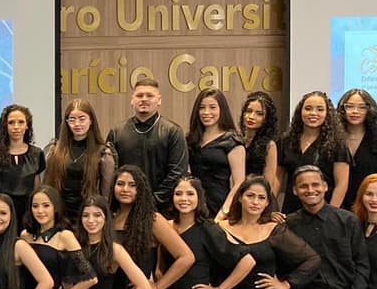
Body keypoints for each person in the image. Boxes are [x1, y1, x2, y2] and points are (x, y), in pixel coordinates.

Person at [107, 79, 188, 214]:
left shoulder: (173, 131)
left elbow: (177, 173)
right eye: (139, 95)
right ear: (132, 100)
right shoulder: (116, 132)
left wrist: (151, 202)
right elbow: (110, 173)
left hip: (162, 210)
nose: (144, 99)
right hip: (125, 209)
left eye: (150, 95)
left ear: (159, 100)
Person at [44, 99, 115, 225]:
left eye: (82, 119)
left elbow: (106, 194)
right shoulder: (54, 150)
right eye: (72, 119)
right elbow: (47, 186)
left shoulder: (103, 153)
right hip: (60, 215)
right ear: (66, 122)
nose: (77, 124)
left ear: (91, 120)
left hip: (89, 217)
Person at [277, 91, 348, 213]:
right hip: (292, 209)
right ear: (300, 111)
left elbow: (341, 184)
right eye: (308, 109)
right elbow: (277, 179)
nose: (313, 113)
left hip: (324, 210)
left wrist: (331, 213)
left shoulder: (337, 144)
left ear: (327, 113)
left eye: (320, 109)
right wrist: (270, 207)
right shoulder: (286, 141)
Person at [337, 89, 377, 211]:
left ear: (369, 110)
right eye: (349, 106)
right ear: (342, 109)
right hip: (336, 208)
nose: (355, 111)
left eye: (362, 107)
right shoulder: (332, 138)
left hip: (370, 208)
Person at [0, 104, 45, 226]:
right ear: (5, 126)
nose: (16, 127)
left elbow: (36, 192)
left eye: (21, 122)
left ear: (27, 125)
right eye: (11, 122)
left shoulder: (37, 154)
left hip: (27, 217)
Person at [186, 88, 245, 217]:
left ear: (221, 110)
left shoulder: (232, 140)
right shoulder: (190, 139)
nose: (206, 112)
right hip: (192, 205)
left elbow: (239, 182)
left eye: (212, 107)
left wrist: (225, 211)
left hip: (220, 206)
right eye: (202, 108)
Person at [240, 91, 281, 192]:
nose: (251, 116)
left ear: (266, 119)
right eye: (248, 111)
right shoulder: (236, 140)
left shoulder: (269, 145)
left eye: (259, 114)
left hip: (256, 194)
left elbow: (268, 183)